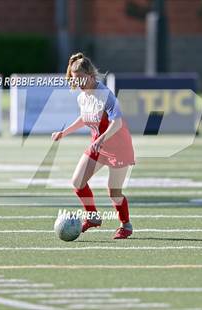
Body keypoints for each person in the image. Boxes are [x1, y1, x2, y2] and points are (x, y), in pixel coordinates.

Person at [51, 52, 135, 239]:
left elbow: (117, 123)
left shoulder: (105, 95)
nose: (78, 82)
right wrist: (64, 133)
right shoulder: (82, 97)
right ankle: (93, 217)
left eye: (81, 78)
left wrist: (101, 138)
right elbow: (85, 118)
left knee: (114, 192)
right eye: (74, 79)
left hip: (118, 146)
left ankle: (126, 225)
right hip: (98, 145)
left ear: (91, 76)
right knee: (77, 182)